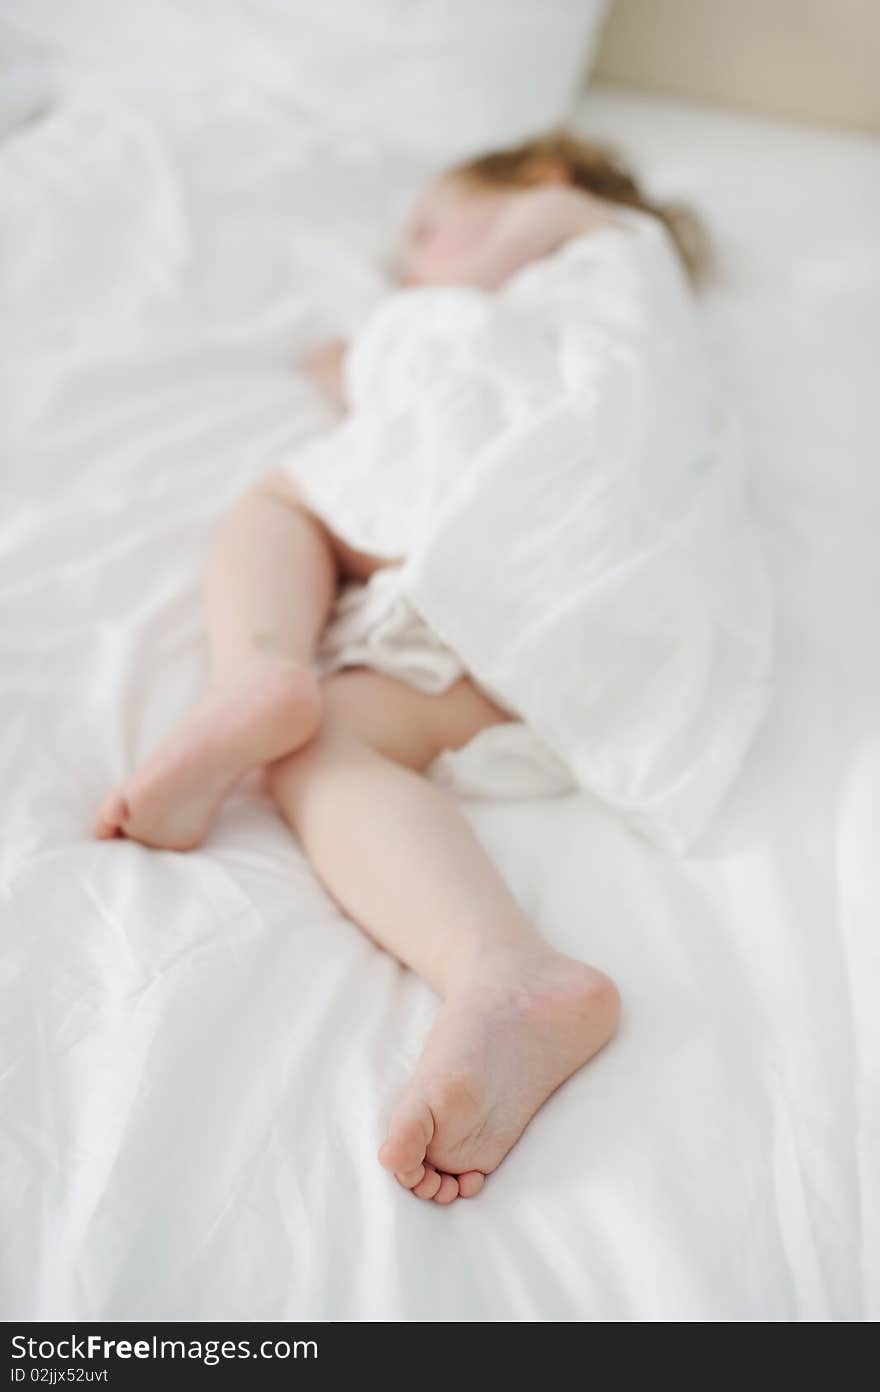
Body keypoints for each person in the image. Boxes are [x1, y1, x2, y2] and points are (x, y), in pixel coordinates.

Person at [95, 133, 703, 1204]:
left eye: (428, 226)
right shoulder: (660, 352)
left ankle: (258, 668)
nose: (414, 254)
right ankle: (506, 975)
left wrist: (387, 332)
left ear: (543, 177)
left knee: (285, 501)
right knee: (334, 745)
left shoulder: (589, 231)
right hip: (604, 607)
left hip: (533, 497)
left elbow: (449, 339)